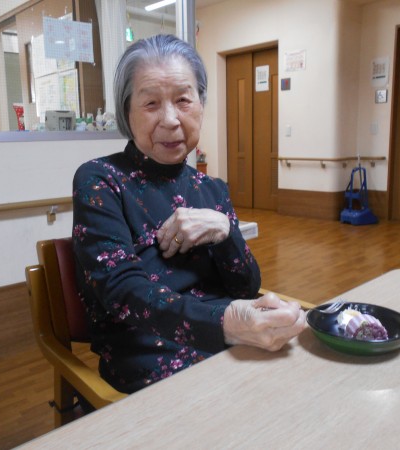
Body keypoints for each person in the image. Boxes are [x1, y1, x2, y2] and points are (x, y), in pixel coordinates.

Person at [72, 34, 306, 394]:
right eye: (151, 103)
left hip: (232, 340)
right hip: (149, 352)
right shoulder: (101, 180)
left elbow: (245, 287)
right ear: (127, 111)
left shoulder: (212, 188)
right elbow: (122, 293)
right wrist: (225, 322)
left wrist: (226, 230)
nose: (170, 120)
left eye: (183, 100)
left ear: (201, 104)